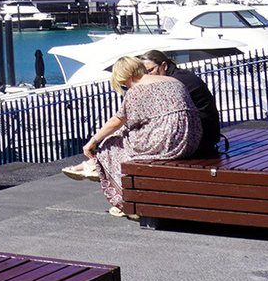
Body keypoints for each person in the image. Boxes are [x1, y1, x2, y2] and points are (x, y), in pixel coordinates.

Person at [83, 56, 200, 218]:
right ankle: (95, 167)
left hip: (167, 142)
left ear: (126, 76)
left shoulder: (137, 90)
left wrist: (93, 141)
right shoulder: (173, 81)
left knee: (111, 144)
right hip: (191, 139)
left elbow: (117, 121)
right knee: (123, 135)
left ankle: (127, 200)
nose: (125, 87)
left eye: (123, 83)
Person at [141, 50, 221, 157]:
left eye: (150, 70)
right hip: (206, 134)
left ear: (164, 66)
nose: (148, 76)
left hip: (200, 138)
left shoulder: (174, 82)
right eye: (145, 73)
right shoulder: (179, 75)